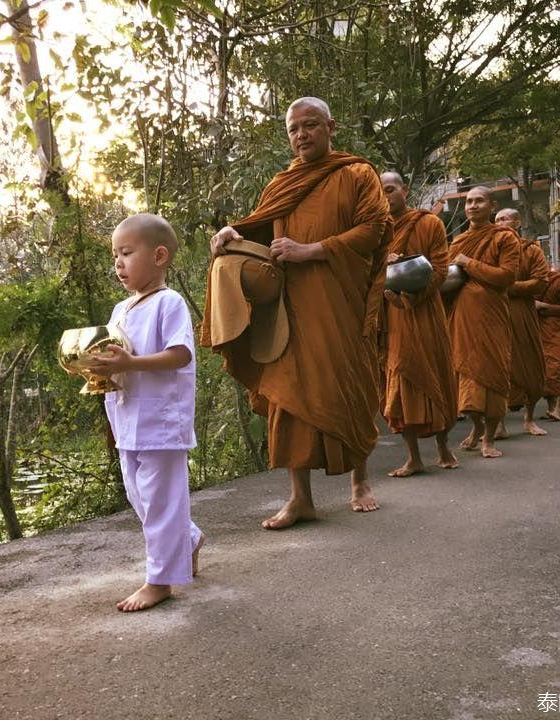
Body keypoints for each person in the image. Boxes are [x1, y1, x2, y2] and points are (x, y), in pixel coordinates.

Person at [202, 97, 391, 529]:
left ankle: (360, 483)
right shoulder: (282, 183)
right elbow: (261, 225)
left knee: (352, 383)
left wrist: (311, 250)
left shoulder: (357, 174)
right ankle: (299, 498)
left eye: (310, 125)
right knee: (289, 392)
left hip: (340, 299)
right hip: (291, 305)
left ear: (331, 126)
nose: (301, 135)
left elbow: (374, 229)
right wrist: (233, 230)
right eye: (293, 129)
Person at [90, 214, 205, 612]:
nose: (118, 263)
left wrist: (130, 364)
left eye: (126, 253)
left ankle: (160, 580)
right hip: (126, 419)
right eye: (114, 256)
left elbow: (180, 354)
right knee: (139, 496)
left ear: (158, 256)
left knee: (160, 499)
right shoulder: (121, 308)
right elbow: (113, 353)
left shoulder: (168, 303)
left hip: (161, 421)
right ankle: (186, 539)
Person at [379, 171, 458, 476]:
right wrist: (385, 265)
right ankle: (413, 457)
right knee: (399, 380)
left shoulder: (429, 223)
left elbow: (440, 268)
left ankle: (443, 446)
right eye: (380, 193)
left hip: (424, 311)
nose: (386, 198)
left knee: (435, 372)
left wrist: (407, 273)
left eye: (390, 190)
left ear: (404, 189)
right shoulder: (375, 230)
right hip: (391, 314)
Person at [446, 186, 520, 458]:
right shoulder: (457, 241)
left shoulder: (504, 238)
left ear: (492, 205)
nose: (472, 206)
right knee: (467, 375)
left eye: (479, 201)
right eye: (468, 202)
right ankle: (476, 427)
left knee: (493, 375)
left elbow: (506, 276)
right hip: (463, 318)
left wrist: (469, 263)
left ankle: (489, 438)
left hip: (492, 317)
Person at [493, 207, 549, 438]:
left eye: (504, 219)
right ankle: (498, 423)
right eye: (495, 220)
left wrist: (508, 286)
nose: (499, 223)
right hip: (494, 312)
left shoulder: (531, 250)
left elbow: (540, 282)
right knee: (497, 366)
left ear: (517, 222)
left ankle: (529, 419)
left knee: (530, 363)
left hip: (522, 311)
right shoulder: (489, 248)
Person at [536, 261, 560, 421]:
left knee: (556, 367)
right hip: (540, 329)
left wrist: (544, 306)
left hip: (556, 329)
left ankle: (558, 408)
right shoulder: (540, 281)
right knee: (545, 370)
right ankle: (551, 408)